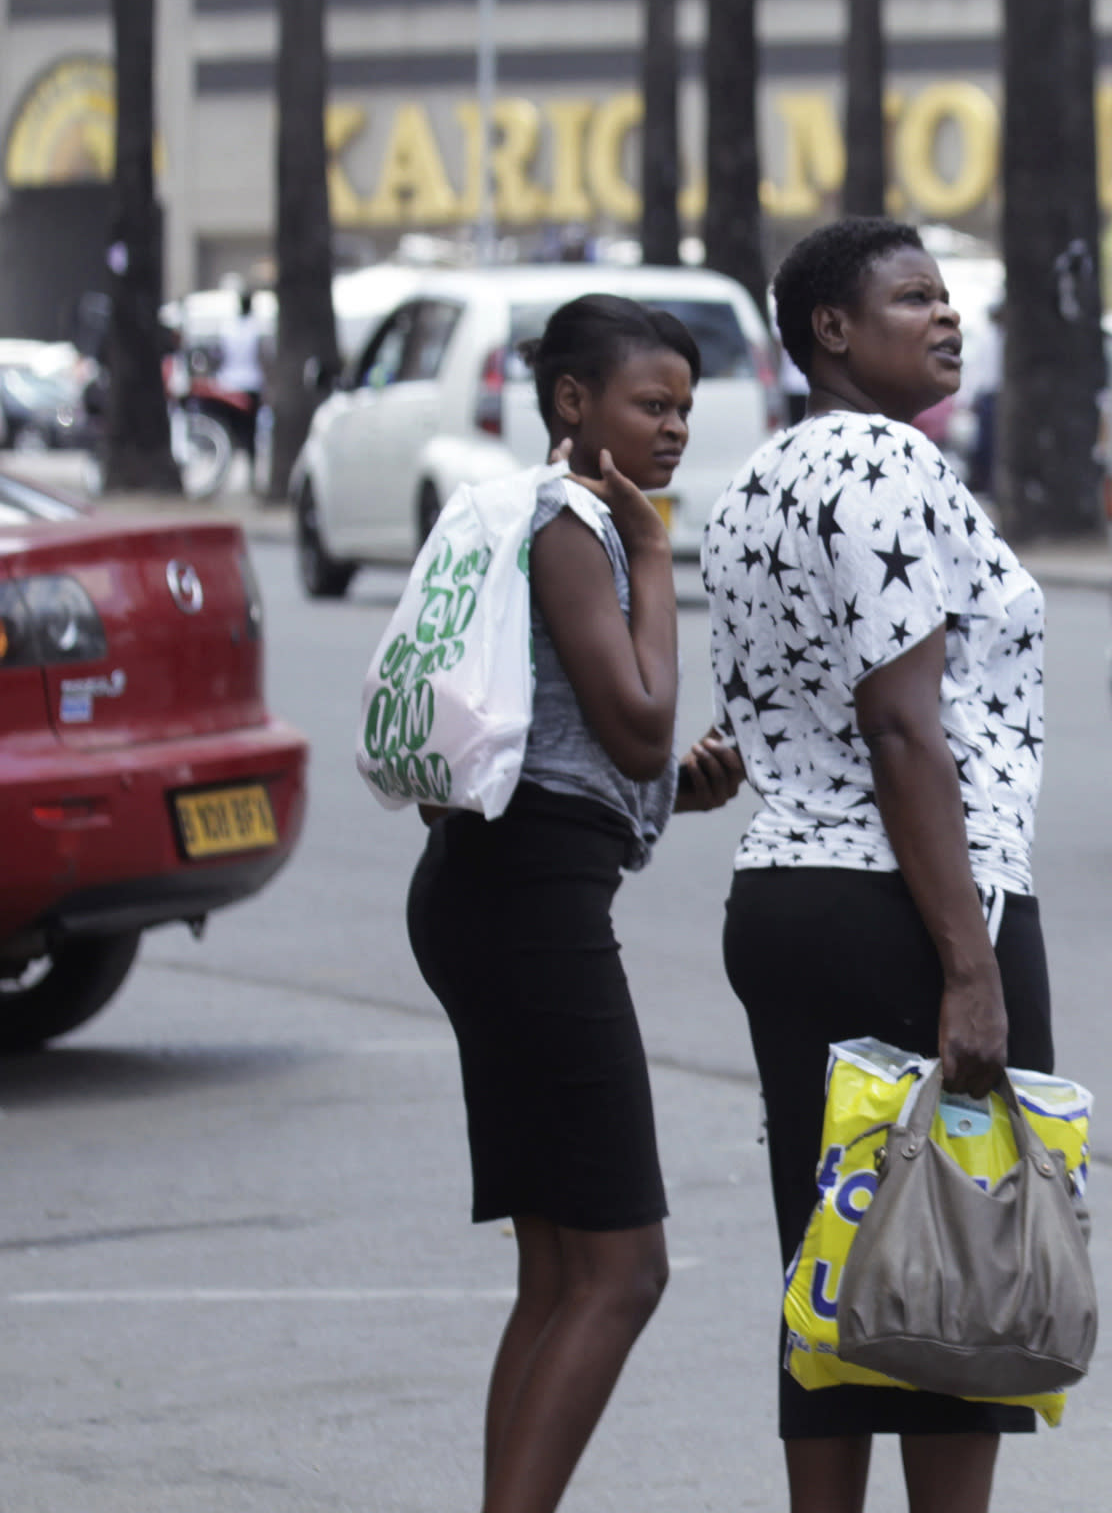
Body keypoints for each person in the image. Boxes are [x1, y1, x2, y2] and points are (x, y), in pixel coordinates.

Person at [705, 220, 1054, 1513]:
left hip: (787, 896)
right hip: (907, 903)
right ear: (831, 333)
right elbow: (903, 725)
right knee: (957, 1263)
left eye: (950, 297)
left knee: (834, 1264)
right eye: (913, 298)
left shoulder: (759, 482)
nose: (947, 318)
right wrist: (969, 963)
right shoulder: (887, 466)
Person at [406, 294, 745, 1513]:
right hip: (529, 905)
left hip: (497, 885)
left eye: (685, 410)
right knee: (625, 1269)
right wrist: (656, 553)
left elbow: (594, 747)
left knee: (557, 1272)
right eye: (651, 404)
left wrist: (667, 795)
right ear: (572, 402)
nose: (673, 430)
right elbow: (644, 721)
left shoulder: (528, 517)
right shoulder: (576, 527)